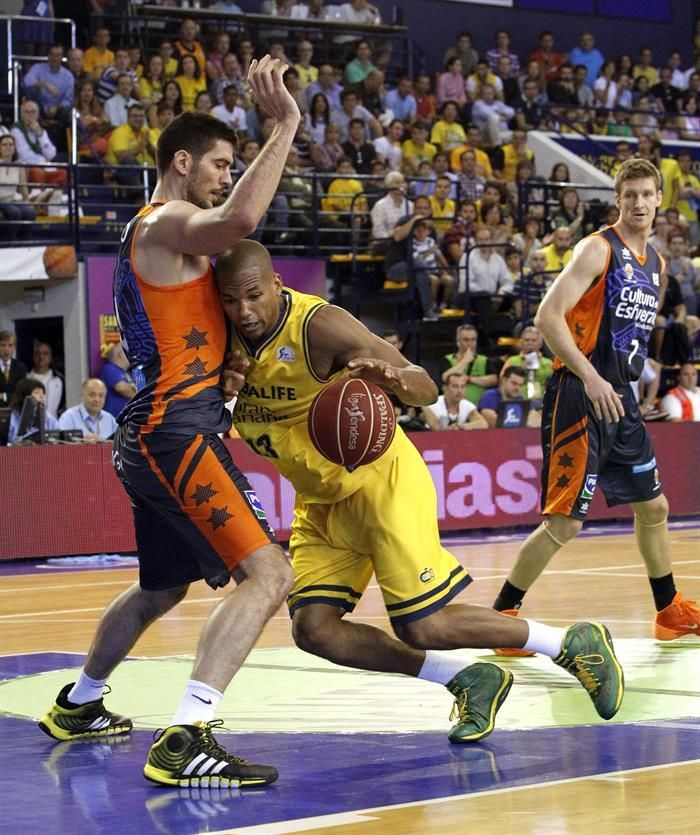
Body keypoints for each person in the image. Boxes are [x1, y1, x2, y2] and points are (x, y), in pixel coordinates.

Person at [213, 239, 625, 747]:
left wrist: (395, 378)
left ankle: (569, 643)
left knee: (422, 625)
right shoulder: (219, 337)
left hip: (382, 480)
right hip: (320, 497)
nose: (244, 311)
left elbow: (425, 386)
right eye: (231, 301)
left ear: (277, 284)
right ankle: (467, 679)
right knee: (315, 630)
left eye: (253, 296)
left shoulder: (320, 325)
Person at [39, 56, 301, 789]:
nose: (227, 173)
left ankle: (80, 702)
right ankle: (187, 735)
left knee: (162, 587)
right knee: (269, 572)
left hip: (151, 433)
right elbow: (241, 219)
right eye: (220, 162)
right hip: (175, 434)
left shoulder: (149, 235)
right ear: (181, 163)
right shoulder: (171, 221)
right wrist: (285, 124)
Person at [491, 158, 700, 651]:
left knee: (655, 507)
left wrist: (629, 383)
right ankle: (502, 616)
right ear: (618, 200)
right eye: (630, 195)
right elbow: (547, 317)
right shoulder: (597, 248)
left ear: (660, 200)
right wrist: (592, 376)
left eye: (648, 194)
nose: (640, 203)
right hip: (581, 395)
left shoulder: (658, 263)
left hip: (621, 400)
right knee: (564, 523)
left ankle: (668, 610)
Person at [423, 372, 488, 430]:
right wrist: (452, 429)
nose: (459, 391)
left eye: (462, 387)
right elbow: (436, 429)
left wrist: (461, 426)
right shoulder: (432, 404)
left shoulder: (467, 405)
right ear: (445, 388)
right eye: (455, 386)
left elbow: (483, 424)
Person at [7, 378, 59, 444]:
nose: (41, 396)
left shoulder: (48, 417)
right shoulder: (11, 417)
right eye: (36, 393)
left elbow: (57, 437)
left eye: (42, 393)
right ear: (24, 396)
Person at [27, 340, 63, 417]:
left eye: (45, 354)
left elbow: (55, 408)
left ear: (50, 357)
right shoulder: (26, 377)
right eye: (38, 353)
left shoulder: (57, 380)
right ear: (33, 356)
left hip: (50, 424)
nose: (41, 357)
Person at [100, 343, 137, 418]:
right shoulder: (110, 369)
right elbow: (122, 388)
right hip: (114, 422)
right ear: (119, 354)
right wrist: (139, 393)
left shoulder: (130, 373)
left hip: (128, 422)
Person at [0, 330, 28, 405]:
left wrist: (4, 396)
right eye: (3, 345)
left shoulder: (21, 367)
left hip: (14, 412)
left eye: (10, 345)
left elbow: (22, 394)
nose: (6, 349)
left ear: (14, 347)